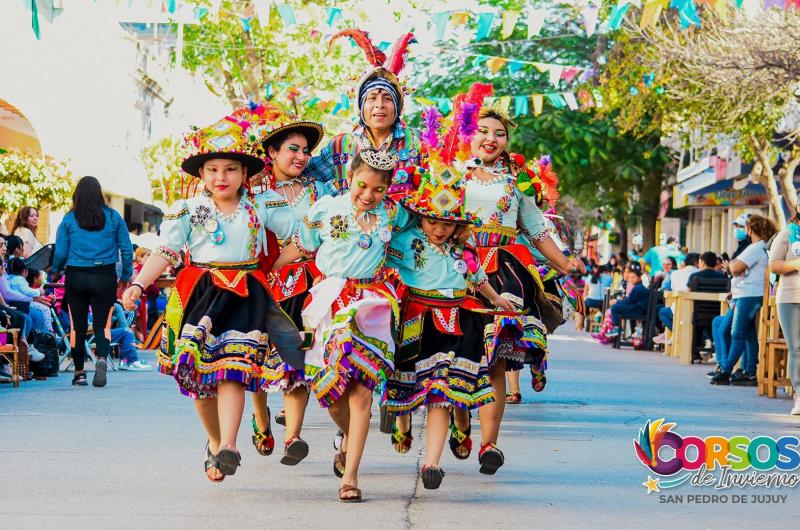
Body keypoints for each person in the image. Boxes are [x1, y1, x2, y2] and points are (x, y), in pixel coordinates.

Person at [122, 112, 301, 483]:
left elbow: (301, 235)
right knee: (200, 381)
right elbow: (167, 252)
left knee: (233, 370)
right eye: (214, 169)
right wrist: (138, 285)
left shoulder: (261, 206)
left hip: (247, 294)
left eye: (231, 169)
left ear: (245, 174)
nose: (222, 177)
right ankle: (216, 441)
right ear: (202, 175)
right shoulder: (187, 210)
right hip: (201, 295)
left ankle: (230, 447)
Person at [451, 87, 585, 477]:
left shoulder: (516, 182)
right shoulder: (448, 175)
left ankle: (489, 444)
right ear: (467, 135)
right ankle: (461, 424)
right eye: (483, 130)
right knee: (458, 357)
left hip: (506, 271)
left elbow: (537, 229)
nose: (491, 139)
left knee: (496, 359)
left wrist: (564, 263)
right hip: (458, 271)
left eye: (499, 133)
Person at [382, 110, 513, 490]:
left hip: (453, 322)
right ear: (419, 218)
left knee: (440, 392)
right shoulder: (405, 241)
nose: (438, 229)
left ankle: (433, 464)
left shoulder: (465, 251)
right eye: (432, 221)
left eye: (447, 223)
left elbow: (478, 281)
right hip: (414, 321)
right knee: (407, 387)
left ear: (459, 225)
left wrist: (496, 300)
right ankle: (402, 425)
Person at [272, 149, 407, 502]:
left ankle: (350, 476)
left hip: (372, 306)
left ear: (387, 190)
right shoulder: (326, 208)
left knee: (362, 392)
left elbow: (429, 234)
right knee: (332, 395)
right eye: (362, 185)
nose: (368, 195)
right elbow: (299, 248)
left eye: (378, 190)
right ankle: (349, 435)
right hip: (329, 302)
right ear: (350, 177)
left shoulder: (394, 214)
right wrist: (267, 269)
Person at [239, 103, 328, 465]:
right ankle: (261, 419)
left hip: (312, 285)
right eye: (293, 148)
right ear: (271, 153)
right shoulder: (254, 195)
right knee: (258, 357)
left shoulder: (323, 190)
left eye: (306, 150)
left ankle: (293, 435)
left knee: (300, 359)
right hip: (269, 285)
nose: (302, 156)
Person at [306, 30, 421, 196]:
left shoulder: (418, 142)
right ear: (361, 107)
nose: (379, 105)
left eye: (387, 98)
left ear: (397, 107)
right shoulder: (340, 146)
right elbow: (304, 179)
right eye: (372, 98)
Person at [52, 176, 133, 387]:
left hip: (76, 276)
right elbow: (126, 249)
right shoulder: (114, 217)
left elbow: (60, 251)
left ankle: (79, 373)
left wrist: (55, 270)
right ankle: (102, 358)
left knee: (77, 327)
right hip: (104, 275)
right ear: (99, 194)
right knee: (102, 324)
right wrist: (125, 276)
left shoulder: (69, 219)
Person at [710, 216, 777, 385]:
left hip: (748, 294)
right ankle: (749, 372)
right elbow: (738, 268)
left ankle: (726, 370)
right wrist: (735, 267)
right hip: (746, 293)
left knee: (737, 333)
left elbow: (736, 267)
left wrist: (733, 267)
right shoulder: (760, 247)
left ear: (749, 229)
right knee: (748, 335)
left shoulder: (756, 247)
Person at [769, 201, 800, 414]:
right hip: (791, 297)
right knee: (797, 348)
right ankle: (799, 394)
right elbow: (774, 265)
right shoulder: (788, 233)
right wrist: (796, 264)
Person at [653, 253, 700, 344]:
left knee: (662, 311)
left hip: (680, 310)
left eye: (668, 264)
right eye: (664, 264)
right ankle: (671, 334)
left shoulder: (675, 274)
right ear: (696, 263)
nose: (665, 266)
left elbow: (672, 290)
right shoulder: (700, 272)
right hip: (703, 311)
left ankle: (676, 334)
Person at [6, 258, 53, 333]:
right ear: (25, 271)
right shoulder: (20, 279)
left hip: (12, 305)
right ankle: (24, 341)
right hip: (19, 306)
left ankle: (13, 342)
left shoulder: (8, 278)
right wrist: (39, 291)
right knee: (27, 320)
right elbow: (28, 291)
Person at [606, 262, 649, 337]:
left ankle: (617, 328)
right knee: (616, 306)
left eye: (634, 277)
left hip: (638, 310)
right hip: (638, 308)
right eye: (630, 277)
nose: (631, 279)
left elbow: (629, 301)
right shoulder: (638, 287)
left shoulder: (638, 288)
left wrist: (617, 301)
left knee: (615, 308)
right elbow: (630, 300)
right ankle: (616, 328)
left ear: (639, 278)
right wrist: (618, 302)